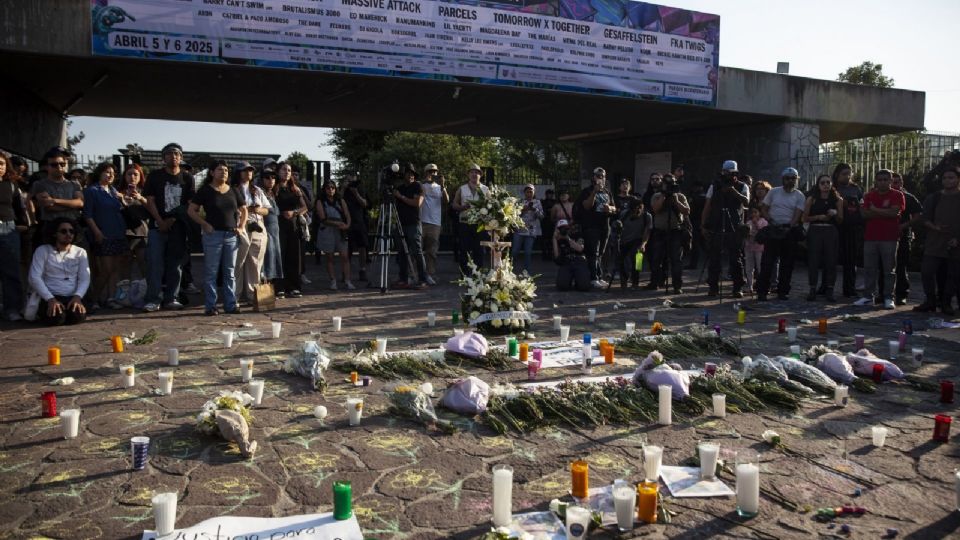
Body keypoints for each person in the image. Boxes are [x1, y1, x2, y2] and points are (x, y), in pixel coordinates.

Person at [187, 160, 247, 315]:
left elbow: (244, 209)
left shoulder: (234, 190)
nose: (224, 172)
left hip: (231, 235)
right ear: (212, 173)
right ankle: (210, 306)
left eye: (226, 170)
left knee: (230, 272)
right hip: (213, 236)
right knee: (211, 272)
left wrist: (241, 227)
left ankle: (230, 304)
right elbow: (191, 210)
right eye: (220, 169)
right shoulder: (205, 191)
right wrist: (204, 224)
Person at [142, 142, 194, 312]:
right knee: (155, 264)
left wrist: (171, 220)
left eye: (177, 153)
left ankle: (172, 297)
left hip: (178, 227)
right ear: (163, 158)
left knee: (176, 264)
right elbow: (149, 201)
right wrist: (160, 220)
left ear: (181, 157)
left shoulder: (187, 177)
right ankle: (153, 299)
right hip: (157, 226)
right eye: (170, 153)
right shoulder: (155, 176)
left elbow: (189, 203)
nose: (174, 156)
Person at [854, 169, 904, 310]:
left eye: (885, 179)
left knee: (889, 270)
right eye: (880, 179)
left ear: (890, 181)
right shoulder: (869, 195)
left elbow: (894, 212)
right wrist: (883, 212)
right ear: (876, 181)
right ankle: (868, 296)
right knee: (869, 268)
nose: (882, 182)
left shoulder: (897, 195)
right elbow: (864, 214)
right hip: (871, 237)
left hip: (889, 237)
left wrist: (874, 209)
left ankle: (889, 297)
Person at [915, 165, 960, 315]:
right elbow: (924, 218)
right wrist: (935, 227)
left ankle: (946, 302)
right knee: (927, 271)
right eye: (945, 178)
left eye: (951, 177)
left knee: (952, 276)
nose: (947, 181)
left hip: (955, 243)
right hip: (935, 242)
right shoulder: (934, 198)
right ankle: (930, 300)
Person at [83, 162, 128, 309]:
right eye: (107, 172)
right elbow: (88, 215)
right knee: (105, 269)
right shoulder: (92, 191)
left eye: (112, 173)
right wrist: (96, 231)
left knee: (115, 269)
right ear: (99, 173)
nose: (110, 175)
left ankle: (111, 298)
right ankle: (93, 299)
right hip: (103, 234)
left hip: (118, 233)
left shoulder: (114, 191)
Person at [701, 160, 750, 298]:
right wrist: (703, 225)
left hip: (734, 226)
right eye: (726, 173)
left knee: (736, 259)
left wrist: (733, 191)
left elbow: (746, 202)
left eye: (731, 173)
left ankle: (737, 287)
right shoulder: (715, 186)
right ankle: (713, 287)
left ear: (736, 173)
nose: (728, 176)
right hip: (716, 225)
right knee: (714, 258)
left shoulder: (742, 186)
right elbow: (708, 205)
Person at [756, 168, 806, 301]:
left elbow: (797, 214)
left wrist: (789, 226)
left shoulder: (799, 195)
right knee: (767, 263)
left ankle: (783, 291)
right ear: (782, 179)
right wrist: (771, 221)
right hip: (773, 228)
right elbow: (764, 209)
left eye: (793, 178)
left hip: (788, 231)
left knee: (787, 264)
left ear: (796, 179)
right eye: (787, 178)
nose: (790, 180)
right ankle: (762, 291)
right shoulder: (773, 192)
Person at [28, 217, 89, 325]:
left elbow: (85, 278)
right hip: (50, 296)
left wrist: (77, 297)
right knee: (56, 318)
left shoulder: (80, 252)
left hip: (72, 297)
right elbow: (34, 277)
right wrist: (50, 299)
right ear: (54, 233)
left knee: (77, 317)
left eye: (71, 231)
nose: (68, 234)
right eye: (63, 231)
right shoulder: (43, 250)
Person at [30, 146, 83, 251]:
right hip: (51, 228)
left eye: (62, 164)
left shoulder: (74, 184)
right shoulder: (39, 184)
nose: (59, 167)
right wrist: (72, 205)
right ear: (47, 166)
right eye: (54, 164)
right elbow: (49, 207)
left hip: (72, 227)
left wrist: (55, 200)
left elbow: (80, 203)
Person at [232, 161, 271, 303]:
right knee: (238, 262)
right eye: (244, 170)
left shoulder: (257, 190)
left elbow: (267, 209)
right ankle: (234, 295)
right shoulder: (232, 189)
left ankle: (252, 294)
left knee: (255, 263)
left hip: (257, 226)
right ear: (238, 173)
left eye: (250, 170)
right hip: (240, 226)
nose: (248, 172)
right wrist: (245, 210)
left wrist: (255, 209)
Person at [802, 174, 844, 302]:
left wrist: (836, 213)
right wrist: (818, 217)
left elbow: (841, 220)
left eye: (828, 182)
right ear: (818, 185)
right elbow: (804, 218)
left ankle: (830, 290)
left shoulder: (838, 200)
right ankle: (812, 289)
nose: (826, 185)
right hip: (815, 230)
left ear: (831, 184)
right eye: (822, 183)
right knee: (813, 260)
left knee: (831, 261)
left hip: (831, 231)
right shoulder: (812, 199)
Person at [647, 174, 689, 293]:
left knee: (676, 260)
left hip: (676, 231)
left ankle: (677, 286)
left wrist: (676, 200)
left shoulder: (680, 196)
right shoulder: (657, 196)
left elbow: (687, 211)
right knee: (657, 259)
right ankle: (655, 282)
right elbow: (655, 209)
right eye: (667, 185)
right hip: (660, 232)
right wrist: (664, 195)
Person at [575, 167, 616, 288]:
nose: (600, 178)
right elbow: (587, 206)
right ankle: (593, 278)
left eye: (602, 176)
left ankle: (599, 275)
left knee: (601, 253)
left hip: (605, 225)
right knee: (593, 253)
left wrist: (610, 208)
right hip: (591, 226)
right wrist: (594, 191)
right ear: (593, 177)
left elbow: (615, 208)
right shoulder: (586, 191)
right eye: (598, 176)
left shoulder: (607, 192)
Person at [886, 172, 923, 305]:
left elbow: (918, 215)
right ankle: (883, 293)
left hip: (903, 235)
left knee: (901, 266)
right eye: (891, 182)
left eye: (896, 182)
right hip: (885, 236)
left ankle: (901, 294)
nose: (893, 185)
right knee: (884, 266)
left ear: (901, 183)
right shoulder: (882, 196)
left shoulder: (908, 197)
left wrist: (904, 225)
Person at [274, 162, 308, 298]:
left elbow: (305, 207)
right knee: (280, 256)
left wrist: (294, 213)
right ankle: (279, 287)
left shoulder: (294, 189)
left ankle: (293, 286)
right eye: (284, 169)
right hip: (278, 225)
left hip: (293, 225)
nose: (287, 172)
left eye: (289, 170)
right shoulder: (273, 188)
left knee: (294, 256)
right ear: (278, 171)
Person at [392, 163, 429, 289]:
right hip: (401, 224)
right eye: (408, 173)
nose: (411, 176)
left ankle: (422, 279)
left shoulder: (418, 186)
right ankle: (403, 279)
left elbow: (417, 203)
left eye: (412, 174)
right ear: (404, 175)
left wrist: (401, 197)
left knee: (417, 252)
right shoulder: (400, 188)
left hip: (413, 223)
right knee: (401, 252)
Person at [0, 153, 27, 320]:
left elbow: (20, 207)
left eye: (2, 163)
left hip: (7, 228)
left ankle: (13, 309)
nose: (0, 166)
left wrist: (23, 224)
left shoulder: (11, 185)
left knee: (11, 270)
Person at [315, 180, 354, 290]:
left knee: (345, 256)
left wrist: (347, 225)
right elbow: (323, 218)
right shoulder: (320, 201)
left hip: (341, 230)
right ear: (324, 189)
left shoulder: (340, 200)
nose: (331, 190)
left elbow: (347, 214)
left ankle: (347, 280)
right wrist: (337, 223)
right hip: (327, 230)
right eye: (328, 188)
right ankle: (333, 280)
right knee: (330, 257)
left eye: (333, 187)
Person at [451, 163, 489, 271]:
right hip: (464, 223)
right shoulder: (461, 189)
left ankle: (478, 275)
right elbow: (454, 205)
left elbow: (491, 205)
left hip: (479, 224)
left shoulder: (485, 189)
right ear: (468, 174)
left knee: (479, 250)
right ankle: (465, 275)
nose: (474, 174)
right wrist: (462, 207)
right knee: (464, 250)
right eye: (472, 172)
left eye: (477, 172)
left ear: (480, 175)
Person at [833, 164, 864, 297]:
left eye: (849, 173)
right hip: (836, 226)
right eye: (844, 173)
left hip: (852, 227)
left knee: (850, 260)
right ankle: (826, 287)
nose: (847, 176)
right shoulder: (832, 188)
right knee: (831, 259)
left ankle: (849, 288)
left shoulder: (855, 188)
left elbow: (862, 205)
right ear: (837, 174)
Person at [117, 163, 149, 280]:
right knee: (125, 262)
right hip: (123, 232)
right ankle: (124, 292)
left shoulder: (145, 191)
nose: (132, 177)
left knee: (144, 262)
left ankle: (147, 290)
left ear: (140, 176)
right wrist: (121, 199)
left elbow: (152, 207)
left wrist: (140, 198)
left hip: (141, 232)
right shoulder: (117, 191)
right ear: (124, 176)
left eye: (136, 174)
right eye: (129, 174)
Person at [419, 163, 447, 284]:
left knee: (432, 251)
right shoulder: (420, 185)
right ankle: (415, 274)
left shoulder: (439, 187)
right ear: (426, 173)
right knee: (417, 250)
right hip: (421, 221)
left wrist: (443, 186)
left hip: (435, 223)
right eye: (431, 172)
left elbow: (447, 201)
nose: (433, 174)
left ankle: (430, 274)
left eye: (435, 172)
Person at [342, 172, 369, 282]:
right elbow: (337, 200)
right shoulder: (344, 190)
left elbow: (365, 204)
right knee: (347, 249)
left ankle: (362, 270)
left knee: (362, 247)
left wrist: (356, 193)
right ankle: (345, 272)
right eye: (349, 180)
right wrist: (343, 188)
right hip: (347, 223)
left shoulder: (360, 189)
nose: (351, 183)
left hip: (359, 222)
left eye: (353, 180)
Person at [618, 197, 651, 289]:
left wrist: (643, 244)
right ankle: (624, 280)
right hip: (624, 241)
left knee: (638, 259)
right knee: (622, 261)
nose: (638, 211)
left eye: (640, 208)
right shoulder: (624, 214)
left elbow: (646, 233)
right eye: (635, 208)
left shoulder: (647, 216)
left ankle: (635, 281)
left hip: (638, 240)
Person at [512, 184, 544, 274]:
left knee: (527, 252)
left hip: (531, 231)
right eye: (527, 192)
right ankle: (509, 269)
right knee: (515, 251)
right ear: (524, 192)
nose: (529, 193)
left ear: (534, 192)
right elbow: (514, 216)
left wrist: (535, 210)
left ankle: (527, 272)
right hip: (519, 230)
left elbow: (542, 216)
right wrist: (523, 210)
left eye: (531, 191)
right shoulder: (520, 202)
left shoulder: (537, 202)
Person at [259, 169, 283, 287]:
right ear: (262, 179)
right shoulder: (259, 192)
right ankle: (262, 290)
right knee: (265, 260)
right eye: (267, 178)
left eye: (273, 178)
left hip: (275, 232)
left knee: (273, 259)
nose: (271, 180)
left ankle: (269, 288)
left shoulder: (273, 193)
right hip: (265, 230)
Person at [553, 219, 589, 291]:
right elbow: (556, 257)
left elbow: (580, 249)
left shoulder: (577, 235)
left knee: (584, 287)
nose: (564, 230)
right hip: (566, 262)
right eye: (561, 229)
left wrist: (568, 239)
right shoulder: (558, 239)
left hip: (579, 260)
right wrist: (554, 239)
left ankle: (579, 279)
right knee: (562, 286)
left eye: (566, 228)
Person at [744, 207, 767, 293]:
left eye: (755, 212)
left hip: (759, 248)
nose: (753, 214)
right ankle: (749, 285)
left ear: (759, 213)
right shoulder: (748, 222)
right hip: (749, 247)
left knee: (760, 267)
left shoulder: (763, 222)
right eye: (752, 212)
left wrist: (756, 223)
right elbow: (745, 233)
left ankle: (761, 285)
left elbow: (763, 232)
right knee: (749, 267)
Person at [540, 189, 557, 260]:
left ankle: (550, 253)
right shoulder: (542, 202)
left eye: (551, 194)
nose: (550, 195)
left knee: (551, 238)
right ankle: (544, 254)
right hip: (545, 222)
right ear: (546, 194)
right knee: (545, 239)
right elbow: (541, 211)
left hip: (552, 222)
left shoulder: (555, 202)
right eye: (548, 194)